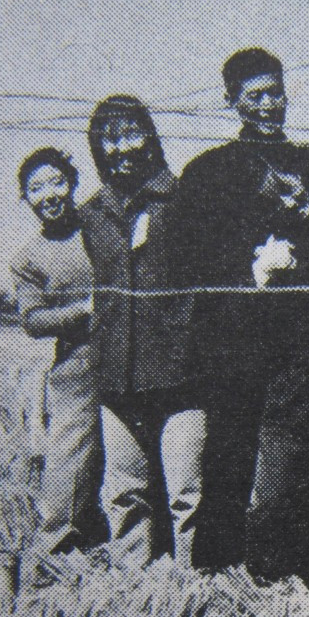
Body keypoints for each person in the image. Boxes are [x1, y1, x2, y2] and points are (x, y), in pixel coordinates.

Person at [167, 47, 309, 589]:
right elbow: (185, 253)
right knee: (230, 452)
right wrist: (248, 268)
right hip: (237, 339)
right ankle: (219, 574)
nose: (268, 105)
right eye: (255, 96)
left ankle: (298, 572)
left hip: (308, 340)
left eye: (275, 92)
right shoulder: (208, 172)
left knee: (306, 453)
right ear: (232, 101)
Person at [79, 95, 205, 570]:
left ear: (150, 138)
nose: (122, 148)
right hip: (117, 375)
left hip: (180, 372)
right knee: (126, 491)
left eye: (132, 134)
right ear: (97, 148)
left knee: (186, 492)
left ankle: (187, 587)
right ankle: (134, 588)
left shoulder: (182, 200)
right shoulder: (92, 213)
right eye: (109, 139)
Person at [10, 147, 104, 583]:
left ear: (73, 182)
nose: (49, 193)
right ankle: (49, 566)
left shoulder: (101, 226)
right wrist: (82, 311)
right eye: (36, 188)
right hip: (76, 369)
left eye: (56, 182)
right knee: (69, 462)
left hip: (133, 358)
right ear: (26, 199)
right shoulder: (28, 258)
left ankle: (121, 552)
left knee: (128, 466)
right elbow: (31, 320)